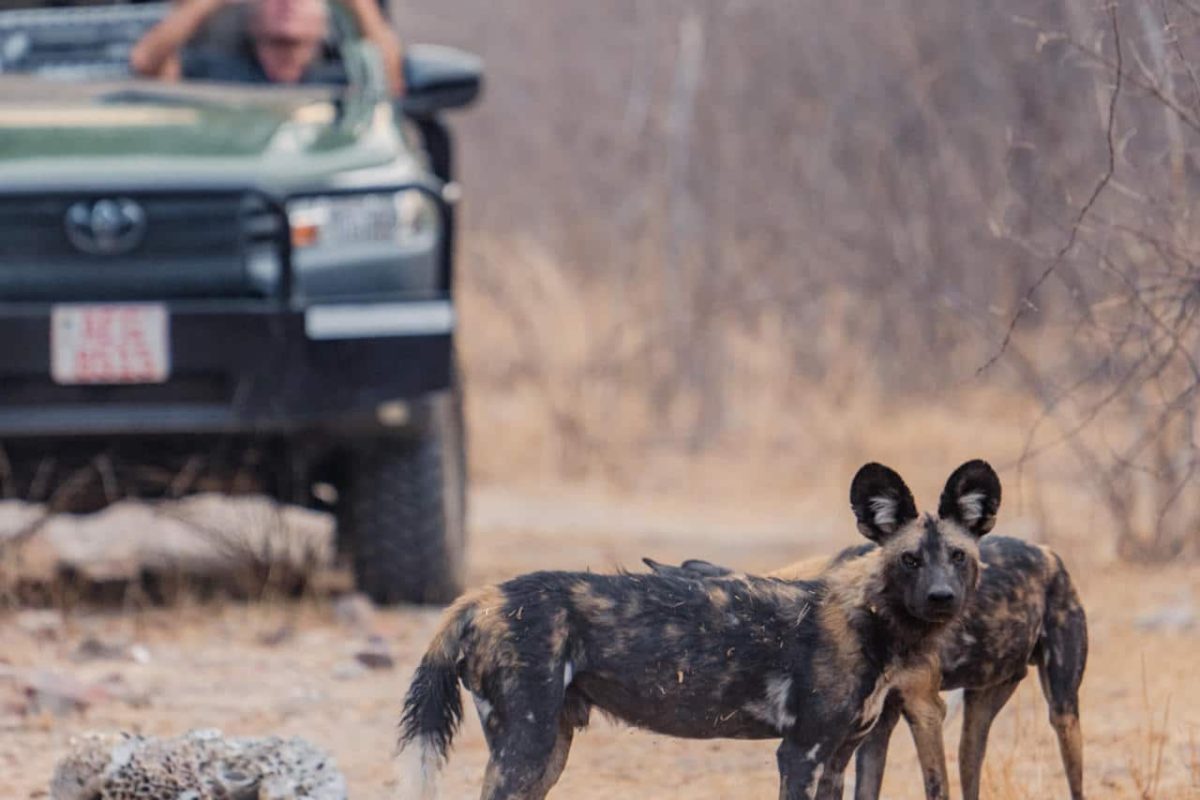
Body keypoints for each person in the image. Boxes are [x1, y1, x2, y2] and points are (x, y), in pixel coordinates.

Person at [129, 0, 405, 96]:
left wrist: (359, 5)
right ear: (251, 19)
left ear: (323, 23)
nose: (287, 2)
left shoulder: (341, 79)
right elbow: (145, 61)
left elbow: (392, 84)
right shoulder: (216, 72)